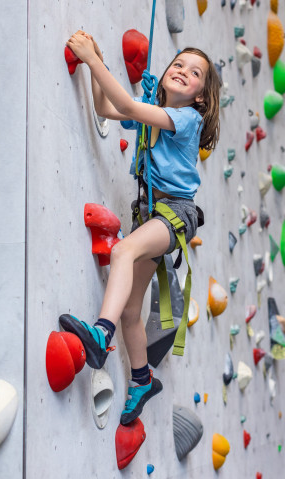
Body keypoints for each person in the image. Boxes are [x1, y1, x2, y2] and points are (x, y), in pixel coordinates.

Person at [59, 31, 220, 425]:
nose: (182, 71)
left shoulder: (187, 119)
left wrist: (91, 59)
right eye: (178, 64)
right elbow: (108, 107)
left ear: (201, 96)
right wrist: (96, 64)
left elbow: (127, 104)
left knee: (122, 251)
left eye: (194, 72)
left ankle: (101, 334)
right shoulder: (154, 114)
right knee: (131, 311)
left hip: (175, 213)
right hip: (149, 214)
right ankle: (142, 379)